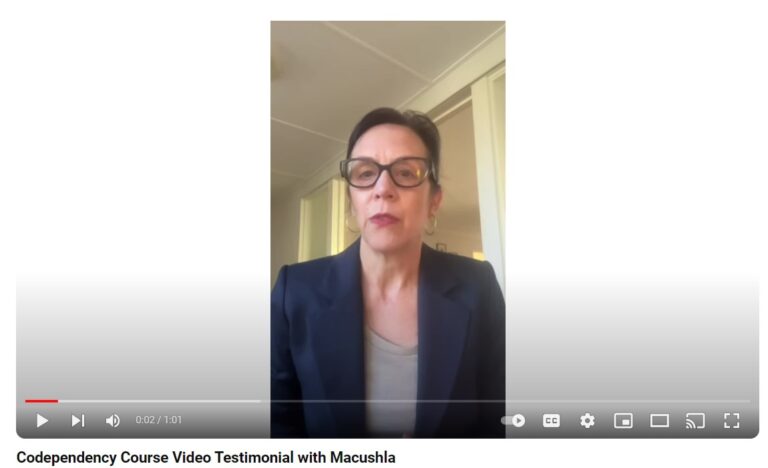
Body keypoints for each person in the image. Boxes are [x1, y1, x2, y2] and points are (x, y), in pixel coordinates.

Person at [271, 107, 505, 438]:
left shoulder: (477, 286)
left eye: (406, 173)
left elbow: (500, 420)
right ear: (352, 200)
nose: (382, 188)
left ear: (434, 201)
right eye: (365, 173)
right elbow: (278, 425)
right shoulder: (294, 293)